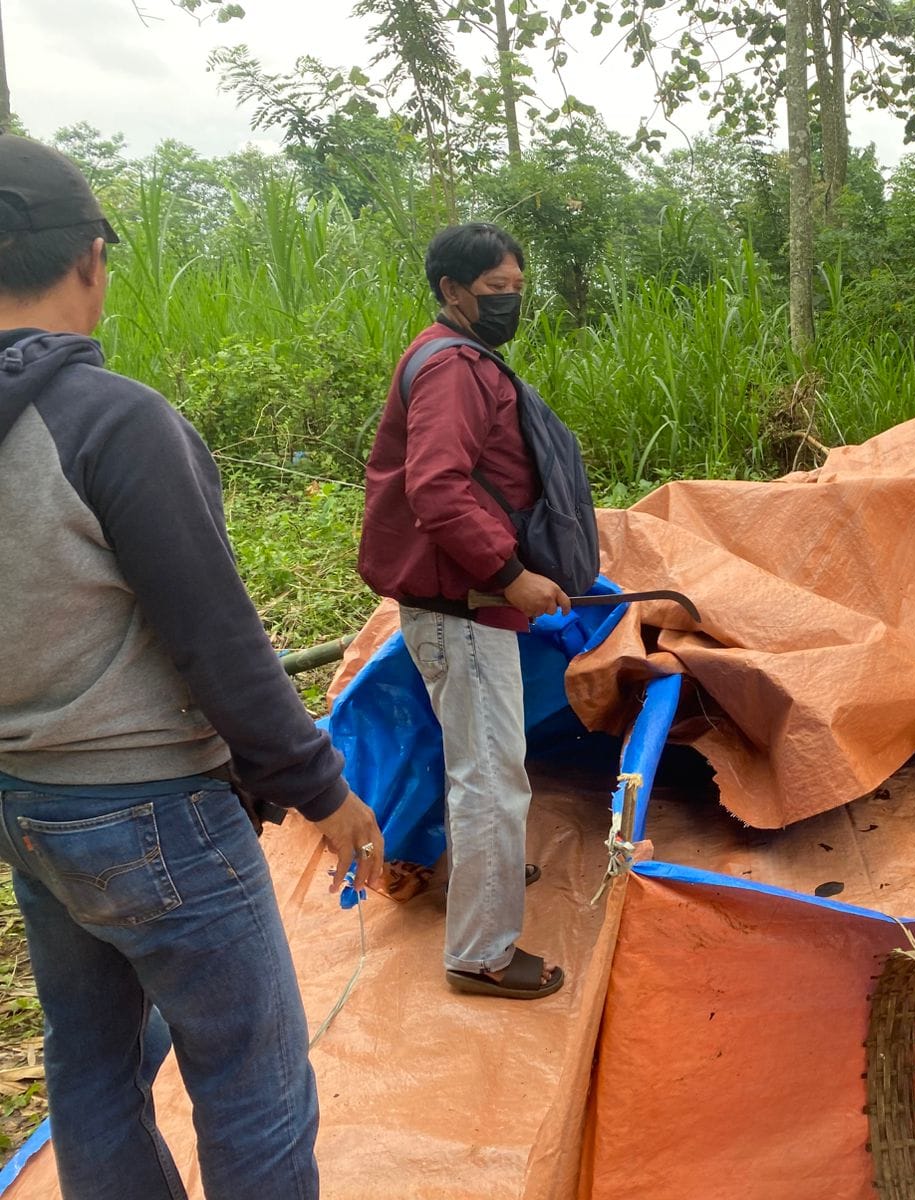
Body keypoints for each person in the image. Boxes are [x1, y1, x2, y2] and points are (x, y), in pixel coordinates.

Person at [0, 135, 385, 1200]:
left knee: (92, 1067)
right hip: (154, 812)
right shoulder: (110, 422)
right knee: (250, 1083)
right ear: (90, 258)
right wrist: (322, 790)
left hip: (25, 805)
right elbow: (217, 639)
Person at [359, 223, 568, 1001]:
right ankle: (481, 953)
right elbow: (438, 487)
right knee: (491, 777)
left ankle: (489, 869)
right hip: (466, 605)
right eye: (494, 291)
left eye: (516, 288)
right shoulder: (452, 369)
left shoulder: (450, 355)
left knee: (479, 759)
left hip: (462, 601)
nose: (509, 301)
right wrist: (511, 574)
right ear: (451, 291)